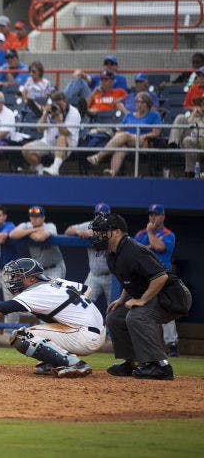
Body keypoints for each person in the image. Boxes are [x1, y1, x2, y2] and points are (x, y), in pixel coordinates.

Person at [0, 257, 105, 378]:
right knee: (35, 332)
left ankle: (75, 363)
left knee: (22, 337)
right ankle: (57, 360)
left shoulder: (36, 292)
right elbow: (87, 290)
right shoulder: (57, 282)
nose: (14, 280)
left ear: (32, 278)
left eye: (19, 276)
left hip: (84, 336)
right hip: (91, 330)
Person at [90, 213, 191, 380]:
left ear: (116, 232)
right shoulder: (112, 254)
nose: (98, 236)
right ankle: (134, 362)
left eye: (102, 232)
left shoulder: (133, 250)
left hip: (174, 296)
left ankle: (160, 365)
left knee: (136, 316)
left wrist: (142, 300)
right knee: (115, 316)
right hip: (157, 294)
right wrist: (122, 300)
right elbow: (129, 281)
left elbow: (161, 277)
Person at [134, 204, 179, 356]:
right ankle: (147, 346)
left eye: (156, 215)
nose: (153, 217)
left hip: (163, 277)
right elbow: (135, 251)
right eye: (151, 215)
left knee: (166, 309)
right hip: (144, 278)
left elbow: (159, 247)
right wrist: (148, 243)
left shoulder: (168, 234)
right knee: (142, 311)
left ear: (163, 217)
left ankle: (171, 345)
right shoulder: (140, 234)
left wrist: (150, 233)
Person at [86, 91, 162, 176]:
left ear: (148, 104)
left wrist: (145, 136)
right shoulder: (129, 115)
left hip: (142, 141)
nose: (139, 104)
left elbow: (156, 132)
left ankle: (99, 156)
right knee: (122, 148)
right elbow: (119, 131)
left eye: (142, 102)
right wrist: (116, 140)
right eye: (137, 102)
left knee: (125, 135)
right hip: (126, 143)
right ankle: (112, 172)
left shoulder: (154, 115)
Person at [65, 203, 113, 309]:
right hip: (94, 275)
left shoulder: (114, 227)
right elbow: (68, 231)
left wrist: (93, 233)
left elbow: (107, 236)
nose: (100, 217)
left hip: (110, 276)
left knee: (114, 308)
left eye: (103, 215)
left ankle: (111, 326)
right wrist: (79, 231)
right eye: (97, 215)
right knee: (81, 304)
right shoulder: (89, 225)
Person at [24, 90, 81, 176]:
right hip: (48, 142)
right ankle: (41, 170)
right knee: (26, 150)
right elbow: (40, 129)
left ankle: (55, 168)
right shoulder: (51, 108)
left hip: (67, 143)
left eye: (60, 104)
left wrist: (57, 117)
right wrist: (46, 113)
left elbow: (64, 132)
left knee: (61, 137)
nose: (58, 106)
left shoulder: (73, 112)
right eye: (56, 104)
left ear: (65, 101)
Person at [10, 205, 66, 280]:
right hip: (39, 269)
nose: (34, 219)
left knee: (52, 290)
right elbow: (12, 235)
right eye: (32, 216)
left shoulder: (50, 226)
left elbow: (39, 238)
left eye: (37, 217)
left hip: (55, 267)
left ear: (43, 218)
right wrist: (32, 230)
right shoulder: (27, 226)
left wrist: (25, 233)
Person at [167, 85, 204, 177]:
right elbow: (189, 126)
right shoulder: (196, 115)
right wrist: (193, 116)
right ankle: (172, 145)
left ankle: (190, 172)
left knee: (188, 140)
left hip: (202, 142)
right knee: (180, 117)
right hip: (193, 139)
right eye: (203, 103)